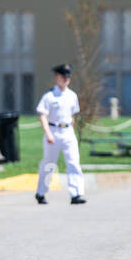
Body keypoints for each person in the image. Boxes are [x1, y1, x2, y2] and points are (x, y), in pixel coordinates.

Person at [35, 63, 86, 205]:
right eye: (63, 77)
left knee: (73, 162)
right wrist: (48, 134)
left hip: (67, 131)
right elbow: (43, 116)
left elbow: (73, 115)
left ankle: (76, 194)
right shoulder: (49, 96)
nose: (66, 79)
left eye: (68, 77)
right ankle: (41, 193)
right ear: (57, 77)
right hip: (53, 131)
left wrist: (71, 129)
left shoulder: (72, 96)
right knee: (49, 164)